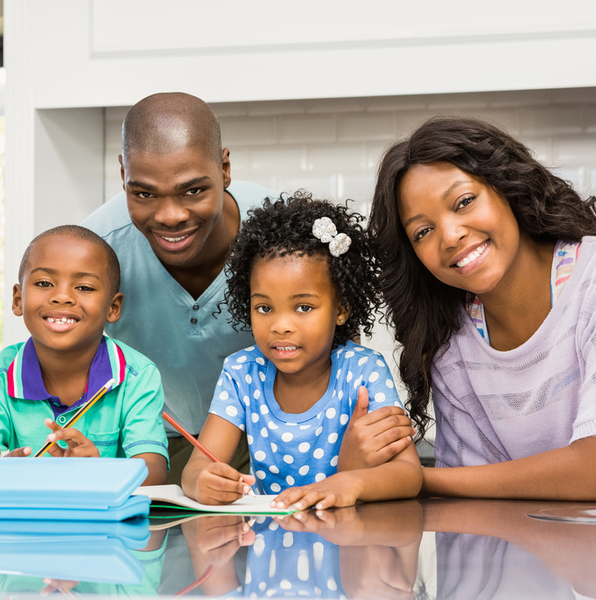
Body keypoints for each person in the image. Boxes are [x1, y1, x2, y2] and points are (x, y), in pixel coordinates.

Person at [368, 115, 596, 500]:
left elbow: (595, 469)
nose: (450, 236)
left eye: (464, 202)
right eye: (423, 232)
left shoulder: (594, 282)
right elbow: (473, 507)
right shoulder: (451, 348)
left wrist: (415, 479)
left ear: (508, 186)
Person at [82, 92, 279, 482]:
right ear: (123, 174)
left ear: (224, 168)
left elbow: (332, 346)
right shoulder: (96, 249)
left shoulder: (282, 232)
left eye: (193, 191)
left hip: (273, 442)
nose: (171, 216)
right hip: (147, 446)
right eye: (144, 194)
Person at [182, 192, 422, 510]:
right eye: (264, 307)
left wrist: (348, 483)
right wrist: (202, 481)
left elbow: (409, 475)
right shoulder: (242, 372)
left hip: (348, 546)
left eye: (304, 307)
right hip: (268, 548)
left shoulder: (363, 370)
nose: (281, 325)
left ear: (341, 309)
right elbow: (196, 468)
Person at [1, 225, 169, 485]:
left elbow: (154, 473)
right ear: (18, 299)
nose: (62, 297)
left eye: (85, 287)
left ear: (113, 308)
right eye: (44, 283)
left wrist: (99, 472)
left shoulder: (137, 376)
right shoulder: (3, 376)